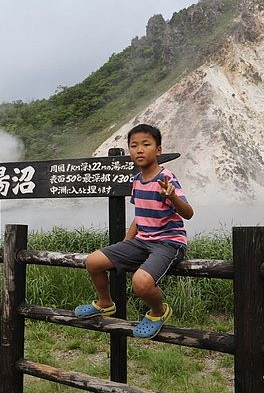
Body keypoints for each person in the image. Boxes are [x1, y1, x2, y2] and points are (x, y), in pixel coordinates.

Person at [74, 123, 194, 339]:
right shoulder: (137, 181)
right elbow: (140, 217)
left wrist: (172, 197)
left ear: (158, 150)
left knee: (141, 283)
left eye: (146, 144)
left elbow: (188, 213)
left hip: (168, 243)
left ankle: (158, 311)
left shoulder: (166, 178)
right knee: (93, 262)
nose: (139, 150)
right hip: (141, 242)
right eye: (134, 145)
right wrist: (126, 243)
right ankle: (105, 303)